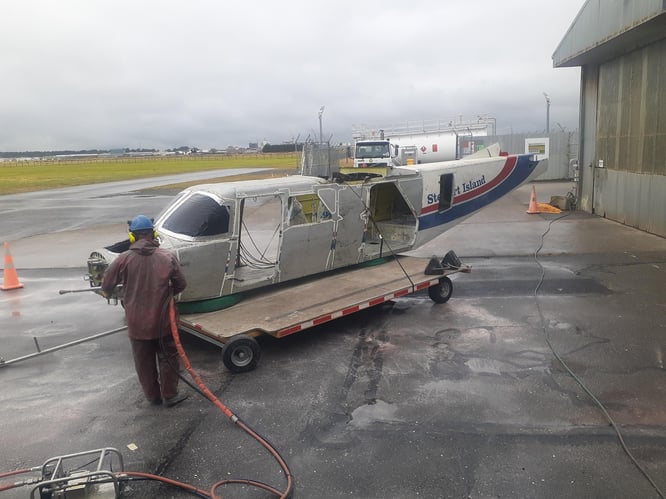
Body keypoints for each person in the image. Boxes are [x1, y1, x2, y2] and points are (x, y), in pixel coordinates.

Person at [102, 215, 188, 407]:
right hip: (163, 323)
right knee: (168, 358)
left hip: (137, 325)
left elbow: (106, 287)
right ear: (153, 234)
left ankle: (152, 397)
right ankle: (170, 395)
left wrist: (123, 292)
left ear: (132, 236)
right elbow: (181, 284)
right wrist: (166, 292)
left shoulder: (122, 260)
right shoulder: (167, 257)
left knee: (143, 362)